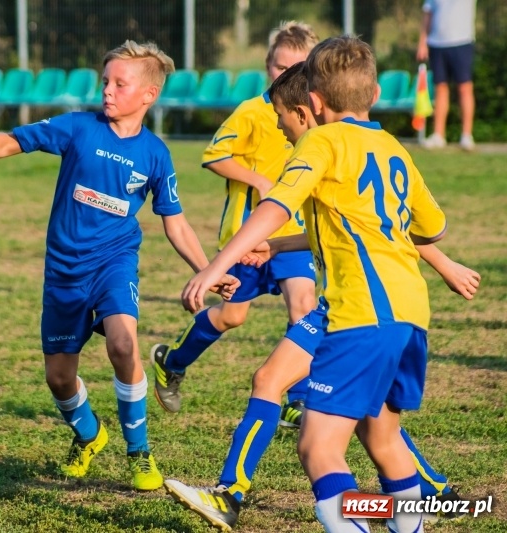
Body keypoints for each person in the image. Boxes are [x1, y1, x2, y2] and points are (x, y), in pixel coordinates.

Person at [163, 62, 480, 531]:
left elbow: (275, 206)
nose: (279, 126)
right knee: (381, 436)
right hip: (409, 311)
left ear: (309, 104)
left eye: (281, 116)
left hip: (358, 311)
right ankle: (408, 513)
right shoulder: (391, 145)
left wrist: (214, 266)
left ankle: (241, 495)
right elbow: (425, 227)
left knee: (318, 447)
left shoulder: (321, 142)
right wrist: (278, 246)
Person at [0, 40, 238, 491]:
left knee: (123, 345)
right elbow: (14, 141)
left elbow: (175, 223)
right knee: (59, 379)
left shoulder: (155, 154)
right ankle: (89, 435)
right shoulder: (78, 128)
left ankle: (139, 453)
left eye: (120, 84)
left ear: (149, 95)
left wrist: (208, 270)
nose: (108, 91)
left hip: (114, 263)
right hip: (64, 271)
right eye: (105, 81)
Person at [150, 21, 319, 424]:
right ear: (267, 66)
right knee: (232, 316)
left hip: (293, 237)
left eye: (297, 68)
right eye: (279, 67)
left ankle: (297, 400)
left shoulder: (314, 119)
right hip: (248, 237)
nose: (285, 75)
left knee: (303, 307)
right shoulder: (253, 111)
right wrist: (257, 179)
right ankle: (172, 361)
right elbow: (214, 155)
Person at [417, 0, 477, 151]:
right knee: (440, 88)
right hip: (436, 43)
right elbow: (428, 14)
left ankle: (466, 135)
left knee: (464, 87)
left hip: (462, 42)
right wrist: (423, 42)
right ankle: (439, 135)